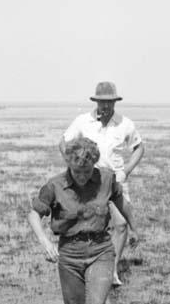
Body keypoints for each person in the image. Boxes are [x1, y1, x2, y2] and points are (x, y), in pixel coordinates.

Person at [28, 136, 139, 304]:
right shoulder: (55, 185)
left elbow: (122, 204)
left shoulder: (107, 179)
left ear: (94, 164)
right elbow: (34, 215)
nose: (81, 176)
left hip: (101, 249)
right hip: (69, 254)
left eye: (87, 171)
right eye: (77, 171)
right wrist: (45, 241)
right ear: (69, 163)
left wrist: (135, 228)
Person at [59, 81, 144, 286]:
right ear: (96, 101)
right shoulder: (82, 121)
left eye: (109, 102)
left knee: (121, 225)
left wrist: (126, 171)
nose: (105, 106)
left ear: (115, 102)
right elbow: (63, 143)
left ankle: (112, 271)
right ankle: (87, 267)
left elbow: (139, 148)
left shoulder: (125, 123)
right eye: (102, 102)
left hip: (115, 182)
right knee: (91, 226)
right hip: (90, 184)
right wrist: (74, 167)